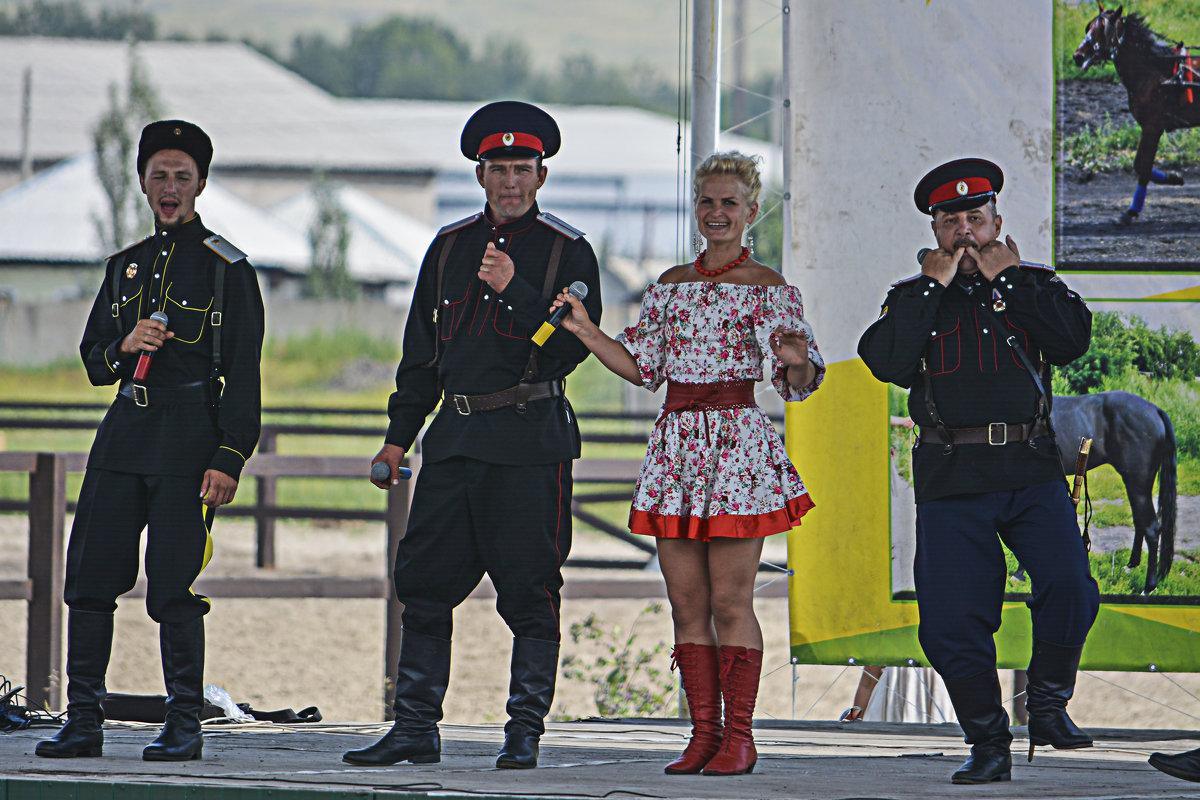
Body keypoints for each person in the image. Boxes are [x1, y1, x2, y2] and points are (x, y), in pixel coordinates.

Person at [342, 101, 602, 771]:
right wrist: (398, 439)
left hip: (527, 441)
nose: (510, 181)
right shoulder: (449, 248)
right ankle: (414, 727)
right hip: (454, 440)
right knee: (422, 583)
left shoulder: (567, 252)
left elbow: (569, 349)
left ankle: (523, 732)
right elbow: (421, 356)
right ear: (479, 175)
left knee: (529, 592)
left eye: (522, 168)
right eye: (497, 169)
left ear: (541, 176)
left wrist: (515, 290)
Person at [549, 151, 823, 776]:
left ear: (752, 211)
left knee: (731, 600)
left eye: (730, 202)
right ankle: (703, 733)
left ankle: (741, 736)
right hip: (676, 447)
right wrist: (590, 332)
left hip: (736, 448)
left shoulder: (770, 287)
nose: (718, 212)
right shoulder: (669, 285)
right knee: (685, 602)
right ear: (695, 208)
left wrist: (797, 357)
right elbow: (642, 367)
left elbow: (798, 382)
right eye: (707, 201)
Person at [857, 158, 1100, 785]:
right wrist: (933, 289)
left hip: (1030, 468)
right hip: (952, 475)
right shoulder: (913, 299)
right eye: (951, 222)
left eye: (976, 218)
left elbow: (1073, 340)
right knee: (951, 619)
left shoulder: (1031, 283)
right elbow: (884, 360)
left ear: (997, 223)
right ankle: (987, 740)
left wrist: (1012, 279)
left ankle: (1047, 708)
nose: (965, 232)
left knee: (1071, 585)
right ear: (934, 232)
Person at [35, 120, 264, 762]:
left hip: (190, 442)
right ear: (141, 182)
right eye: (159, 175)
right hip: (124, 435)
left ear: (200, 184)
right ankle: (83, 722)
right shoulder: (123, 267)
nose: (169, 188)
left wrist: (230, 456)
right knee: (88, 578)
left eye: (181, 177)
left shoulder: (227, 270)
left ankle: (184, 725)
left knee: (172, 588)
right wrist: (122, 345)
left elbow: (244, 373)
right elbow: (91, 359)